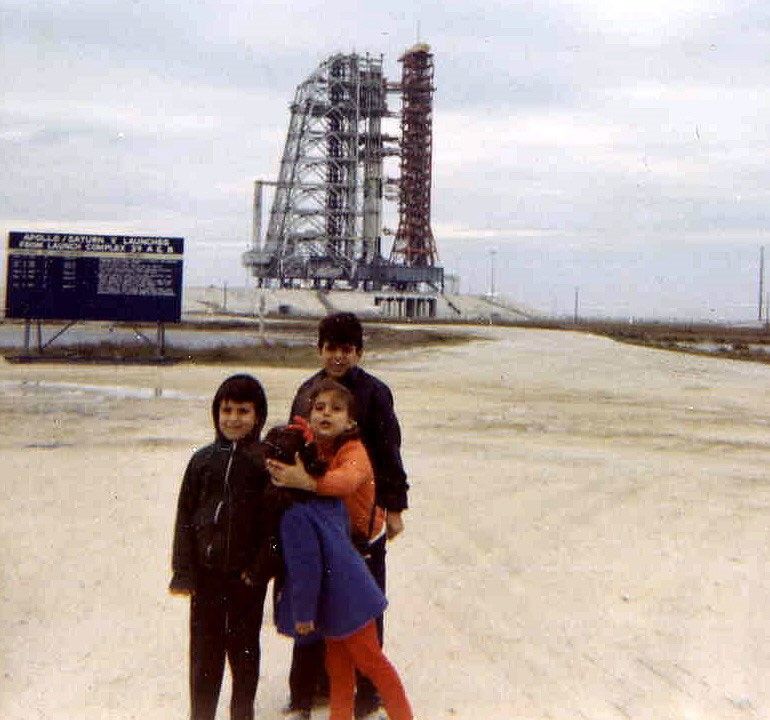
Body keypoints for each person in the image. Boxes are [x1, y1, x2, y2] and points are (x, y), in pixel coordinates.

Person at [285, 312, 409, 718]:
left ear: (358, 352)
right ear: (319, 349)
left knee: (364, 605)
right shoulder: (307, 391)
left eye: (346, 349)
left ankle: (369, 694)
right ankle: (308, 689)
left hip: (360, 519)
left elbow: (389, 455)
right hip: (320, 521)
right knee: (314, 600)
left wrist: (395, 508)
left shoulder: (375, 393)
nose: (338, 356)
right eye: (331, 348)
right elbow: (294, 447)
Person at [169, 374, 271, 720]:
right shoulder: (202, 461)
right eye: (227, 410)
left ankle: (242, 714)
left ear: (258, 417)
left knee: (244, 657)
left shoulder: (264, 465)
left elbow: (273, 526)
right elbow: (185, 516)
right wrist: (183, 571)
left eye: (243, 411)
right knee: (204, 657)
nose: (233, 419)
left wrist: (258, 570)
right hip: (206, 577)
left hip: (245, 580)